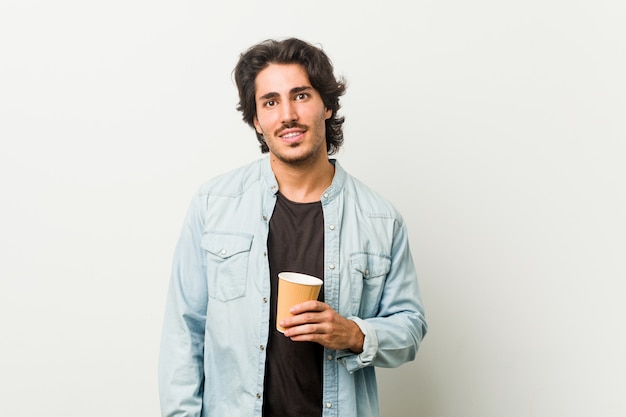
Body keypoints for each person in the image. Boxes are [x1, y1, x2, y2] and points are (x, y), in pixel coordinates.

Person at [158, 37, 428, 417]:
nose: (287, 114)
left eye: (301, 95)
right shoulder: (214, 205)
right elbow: (184, 332)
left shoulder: (380, 219)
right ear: (256, 119)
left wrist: (354, 334)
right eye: (270, 102)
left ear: (327, 106)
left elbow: (411, 326)